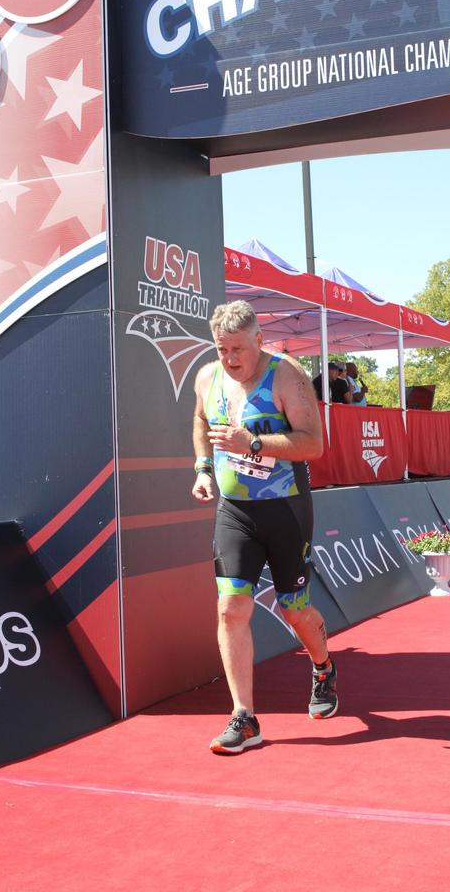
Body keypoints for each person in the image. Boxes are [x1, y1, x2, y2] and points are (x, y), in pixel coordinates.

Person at [192, 300, 338, 755]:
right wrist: (202, 468)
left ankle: (323, 667)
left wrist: (251, 443)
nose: (230, 358)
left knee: (295, 610)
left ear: (259, 339)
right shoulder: (207, 377)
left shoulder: (287, 376)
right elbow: (200, 419)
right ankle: (244, 717)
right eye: (222, 349)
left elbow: (313, 444)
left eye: (238, 348)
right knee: (230, 607)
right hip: (235, 510)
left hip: (285, 509)